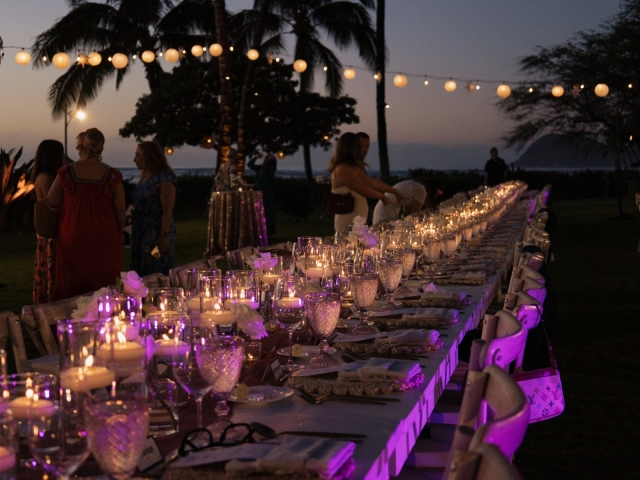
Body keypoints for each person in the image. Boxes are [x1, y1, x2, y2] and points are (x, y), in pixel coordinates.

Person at [47, 128, 125, 300]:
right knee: (104, 289)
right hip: (106, 238)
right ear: (101, 148)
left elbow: (51, 200)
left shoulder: (67, 172)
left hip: (73, 238)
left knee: (72, 289)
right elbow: (120, 210)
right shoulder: (112, 176)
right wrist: (119, 234)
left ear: (82, 146)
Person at [327, 132, 405, 233]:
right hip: (347, 223)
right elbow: (363, 189)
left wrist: (394, 191)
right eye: (359, 146)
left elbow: (373, 183)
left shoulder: (353, 169)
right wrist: (382, 196)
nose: (362, 149)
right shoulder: (342, 169)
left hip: (357, 223)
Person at [131, 141, 178, 276]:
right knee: (138, 270)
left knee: (155, 266)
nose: (135, 160)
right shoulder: (145, 178)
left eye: (138, 156)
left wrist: (163, 236)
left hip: (156, 233)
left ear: (148, 157)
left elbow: (168, 209)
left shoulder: (164, 179)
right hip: (141, 231)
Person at [31, 139, 64, 303]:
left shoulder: (44, 176)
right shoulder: (46, 178)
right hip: (49, 235)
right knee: (51, 273)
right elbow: (54, 204)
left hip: (47, 235)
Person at [248, 152, 277, 235]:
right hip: (258, 190)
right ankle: (261, 228)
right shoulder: (260, 168)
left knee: (268, 210)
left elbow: (265, 167)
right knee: (260, 210)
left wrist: (268, 160)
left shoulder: (269, 168)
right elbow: (250, 164)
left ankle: (270, 229)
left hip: (266, 191)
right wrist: (256, 157)